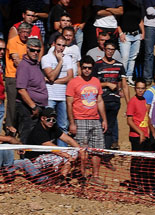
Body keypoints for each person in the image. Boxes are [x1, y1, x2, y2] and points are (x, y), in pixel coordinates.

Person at [66, 56, 108, 188]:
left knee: (97, 149)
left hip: (95, 119)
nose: (87, 70)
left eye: (89, 68)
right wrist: (72, 123)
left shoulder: (96, 81)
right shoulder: (73, 82)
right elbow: (69, 103)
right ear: (80, 67)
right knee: (81, 150)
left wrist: (104, 119)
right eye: (84, 68)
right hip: (80, 119)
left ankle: (95, 176)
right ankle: (82, 175)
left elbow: (100, 101)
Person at [0, 114, 44, 183]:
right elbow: (9, 140)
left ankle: (42, 179)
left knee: (25, 162)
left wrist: (11, 135)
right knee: (6, 145)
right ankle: (9, 171)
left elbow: (3, 141)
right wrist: (21, 146)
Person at [25, 107, 85, 183]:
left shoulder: (53, 128)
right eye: (49, 119)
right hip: (34, 160)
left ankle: (62, 177)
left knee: (74, 151)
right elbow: (52, 148)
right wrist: (68, 156)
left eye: (53, 120)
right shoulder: (38, 131)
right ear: (42, 118)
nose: (51, 122)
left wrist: (80, 149)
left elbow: (68, 139)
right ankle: (60, 178)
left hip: (48, 156)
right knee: (63, 157)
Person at [93, 41, 129, 151]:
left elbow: (124, 85)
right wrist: (107, 84)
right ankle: (97, 152)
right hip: (101, 100)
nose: (110, 51)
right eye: (108, 49)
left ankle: (106, 154)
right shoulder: (97, 64)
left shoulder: (119, 65)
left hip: (114, 101)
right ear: (104, 49)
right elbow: (93, 83)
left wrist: (129, 104)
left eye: (112, 50)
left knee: (109, 128)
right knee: (99, 128)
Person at [41, 35, 74, 147]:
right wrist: (60, 62)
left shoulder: (68, 58)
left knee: (63, 125)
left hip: (63, 96)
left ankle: (63, 152)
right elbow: (50, 76)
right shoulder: (46, 58)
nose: (60, 48)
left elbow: (70, 77)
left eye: (63, 45)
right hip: (50, 96)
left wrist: (52, 81)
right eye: (59, 44)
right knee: (47, 124)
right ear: (54, 44)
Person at [15, 37, 48, 144]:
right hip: (28, 107)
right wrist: (33, 106)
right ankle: (24, 158)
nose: (35, 53)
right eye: (32, 50)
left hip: (38, 106)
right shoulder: (24, 66)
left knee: (35, 136)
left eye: (37, 51)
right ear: (27, 49)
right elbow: (21, 90)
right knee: (27, 134)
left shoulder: (35, 64)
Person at [126, 77, 155, 192]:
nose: (140, 91)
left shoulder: (145, 102)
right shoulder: (132, 101)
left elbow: (146, 117)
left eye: (142, 89)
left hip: (145, 134)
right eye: (138, 88)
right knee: (136, 161)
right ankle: (134, 183)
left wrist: (151, 132)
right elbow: (129, 121)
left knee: (144, 161)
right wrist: (139, 133)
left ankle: (142, 183)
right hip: (136, 135)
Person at [5, 22, 32, 136]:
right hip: (12, 76)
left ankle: (21, 129)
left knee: (23, 104)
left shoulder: (29, 44)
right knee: (12, 105)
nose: (25, 35)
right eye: (23, 32)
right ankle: (9, 129)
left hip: (25, 77)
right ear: (19, 32)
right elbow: (16, 61)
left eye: (27, 32)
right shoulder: (13, 41)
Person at [117, 0, 144, 86]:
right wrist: (120, 33)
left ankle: (129, 76)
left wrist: (143, 32)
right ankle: (123, 78)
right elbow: (117, 22)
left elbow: (140, 21)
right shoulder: (122, 7)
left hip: (136, 35)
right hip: (125, 35)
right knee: (125, 57)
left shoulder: (137, 7)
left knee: (133, 58)